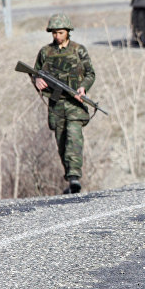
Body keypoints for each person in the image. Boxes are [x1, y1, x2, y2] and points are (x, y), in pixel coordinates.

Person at [33, 13, 96, 194]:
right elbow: (35, 72)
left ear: (68, 32)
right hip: (56, 104)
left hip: (75, 104)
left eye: (60, 32)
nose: (57, 36)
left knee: (73, 136)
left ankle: (75, 176)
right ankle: (70, 177)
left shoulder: (79, 50)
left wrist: (83, 88)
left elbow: (90, 73)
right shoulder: (45, 52)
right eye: (54, 33)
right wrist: (37, 80)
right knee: (61, 142)